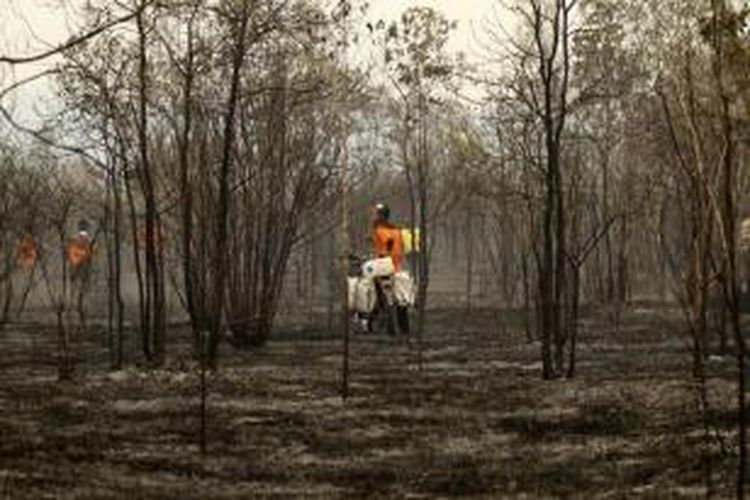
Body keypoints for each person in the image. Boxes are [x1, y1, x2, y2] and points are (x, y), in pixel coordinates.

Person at [368, 202, 409, 335]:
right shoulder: (396, 229)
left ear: (381, 215)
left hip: (384, 266)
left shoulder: (379, 229)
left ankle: (379, 323)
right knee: (400, 298)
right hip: (396, 266)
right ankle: (404, 328)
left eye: (376, 214)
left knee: (379, 295)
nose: (374, 216)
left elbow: (386, 246)